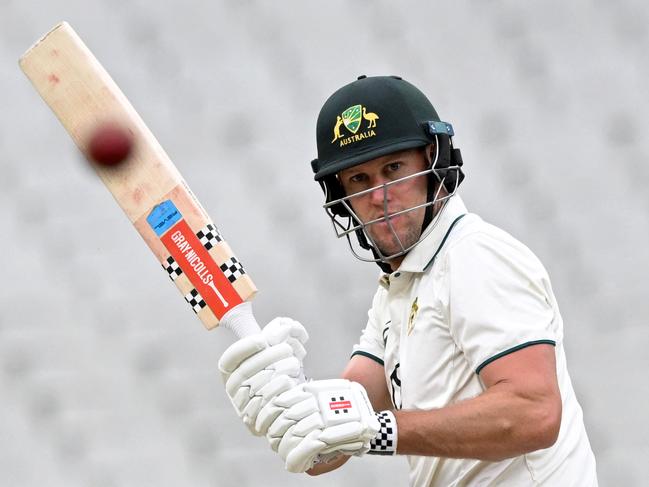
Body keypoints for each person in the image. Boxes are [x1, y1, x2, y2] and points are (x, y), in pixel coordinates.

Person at [218, 75, 598, 486]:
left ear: (434, 163)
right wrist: (289, 402)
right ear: (340, 197)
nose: (379, 196)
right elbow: (335, 439)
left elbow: (535, 412)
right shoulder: (400, 289)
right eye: (359, 180)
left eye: (393, 169)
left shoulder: (474, 257)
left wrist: (380, 431)